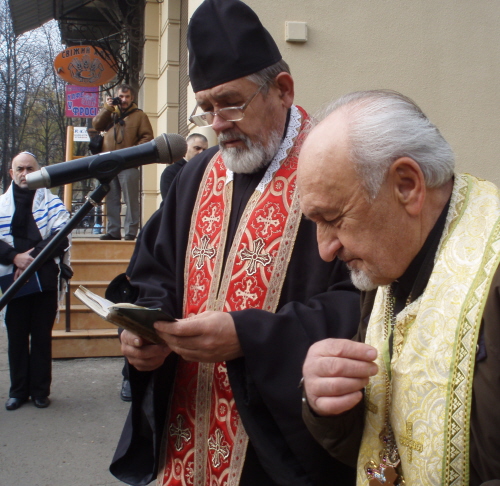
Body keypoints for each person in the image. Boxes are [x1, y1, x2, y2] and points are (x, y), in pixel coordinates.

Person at [109, 1, 360, 485]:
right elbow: (154, 272)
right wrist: (146, 330)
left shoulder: (334, 169)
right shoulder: (196, 175)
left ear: (283, 90)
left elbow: (365, 302)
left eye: (231, 103)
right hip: (188, 426)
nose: (217, 122)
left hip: (276, 445)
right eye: (206, 107)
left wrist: (250, 336)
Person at [297, 90, 500, 485]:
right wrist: (327, 403)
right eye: (314, 222)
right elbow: (387, 446)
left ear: (407, 185)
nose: (325, 249)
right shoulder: (390, 261)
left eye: (334, 218)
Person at [0, 152, 71, 411]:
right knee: (17, 336)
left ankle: (41, 391)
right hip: (12, 277)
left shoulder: (51, 203)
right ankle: (18, 391)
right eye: (19, 168)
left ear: (38, 171)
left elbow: (61, 235)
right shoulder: (1, 204)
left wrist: (30, 261)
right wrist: (14, 258)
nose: (24, 173)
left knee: (41, 337)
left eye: (30, 168)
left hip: (44, 277)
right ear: (11, 172)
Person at [93, 83, 154, 241]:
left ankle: (130, 232)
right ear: (116, 97)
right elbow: (96, 125)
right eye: (121, 96)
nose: (124, 99)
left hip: (128, 163)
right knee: (111, 198)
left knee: (131, 199)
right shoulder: (110, 113)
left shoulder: (140, 116)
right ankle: (113, 231)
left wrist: (132, 152)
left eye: (127, 97)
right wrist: (107, 108)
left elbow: (148, 138)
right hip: (108, 163)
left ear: (132, 98)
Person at [160, 133, 209, 199]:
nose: (201, 152)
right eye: (197, 148)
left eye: (204, 150)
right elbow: (169, 201)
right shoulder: (171, 172)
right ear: (186, 148)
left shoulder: (208, 171)